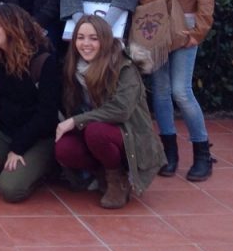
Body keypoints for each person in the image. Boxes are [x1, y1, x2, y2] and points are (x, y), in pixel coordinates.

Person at [137, 0, 217, 182]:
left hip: (184, 21)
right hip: (154, 21)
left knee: (180, 91)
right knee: (158, 92)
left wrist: (201, 28)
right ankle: (168, 153)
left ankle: (202, 153)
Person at [54, 16, 164, 209]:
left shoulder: (124, 66)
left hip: (127, 134)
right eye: (80, 37)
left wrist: (74, 121)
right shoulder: (73, 67)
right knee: (63, 148)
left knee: (95, 131)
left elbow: (121, 110)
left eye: (93, 38)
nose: (85, 44)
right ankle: (101, 173)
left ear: (104, 40)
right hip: (92, 131)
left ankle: (117, 179)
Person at [0, 3, 60, 203]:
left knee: (11, 189)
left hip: (37, 137)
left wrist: (18, 147)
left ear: (13, 27)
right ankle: (9, 163)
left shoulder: (43, 60)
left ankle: (46, 166)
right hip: (6, 131)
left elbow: (47, 115)